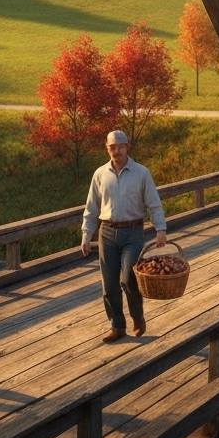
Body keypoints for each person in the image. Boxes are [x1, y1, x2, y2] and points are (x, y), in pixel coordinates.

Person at [81, 130, 168, 343]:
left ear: (127, 147)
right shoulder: (100, 174)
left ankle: (137, 317)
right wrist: (86, 234)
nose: (117, 151)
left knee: (129, 279)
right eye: (113, 147)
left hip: (132, 232)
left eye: (120, 147)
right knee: (109, 284)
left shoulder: (141, 173)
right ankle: (117, 326)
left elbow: (154, 204)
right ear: (107, 148)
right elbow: (91, 208)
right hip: (107, 233)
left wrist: (161, 229)